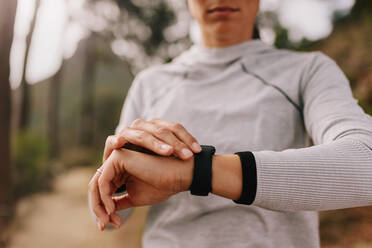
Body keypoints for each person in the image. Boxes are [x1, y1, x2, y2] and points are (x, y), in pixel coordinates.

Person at [88, 0, 372, 247]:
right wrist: (112, 183)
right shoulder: (150, 84)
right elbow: (112, 216)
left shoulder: (307, 71)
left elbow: (365, 161)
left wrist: (195, 172)